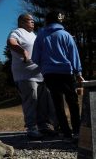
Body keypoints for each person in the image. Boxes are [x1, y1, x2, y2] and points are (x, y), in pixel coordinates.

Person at [32, 11, 84, 140]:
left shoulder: (40, 35)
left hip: (49, 74)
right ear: (60, 21)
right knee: (72, 102)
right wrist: (78, 72)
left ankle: (66, 133)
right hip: (66, 72)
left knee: (57, 103)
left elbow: (35, 58)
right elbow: (74, 55)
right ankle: (77, 131)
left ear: (47, 21)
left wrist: (45, 65)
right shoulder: (66, 35)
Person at [7, 13, 57, 139]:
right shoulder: (17, 32)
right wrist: (23, 51)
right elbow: (11, 42)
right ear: (22, 22)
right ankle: (31, 128)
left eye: (33, 21)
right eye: (30, 20)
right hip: (26, 75)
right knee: (31, 102)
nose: (33, 22)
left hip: (39, 74)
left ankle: (43, 126)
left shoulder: (33, 35)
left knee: (42, 102)